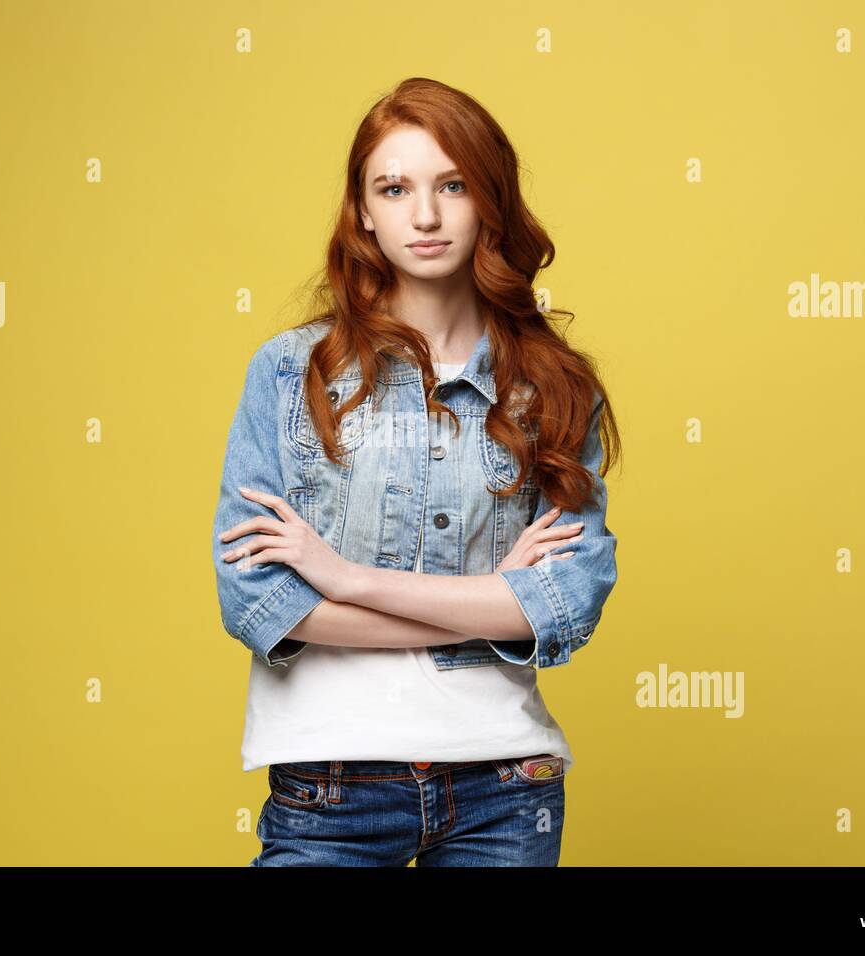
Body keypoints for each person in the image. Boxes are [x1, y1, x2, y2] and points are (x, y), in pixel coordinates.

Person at [212, 77, 621, 866]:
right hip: (328, 787)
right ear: (363, 209)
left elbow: (568, 603)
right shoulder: (289, 374)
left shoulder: (554, 388)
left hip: (505, 787)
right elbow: (257, 603)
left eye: (452, 185)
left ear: (489, 200)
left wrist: (343, 578)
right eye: (394, 188)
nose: (425, 216)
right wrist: (488, 605)